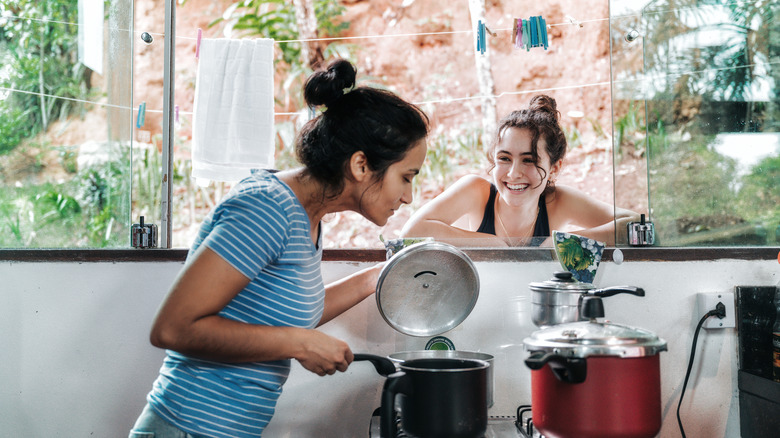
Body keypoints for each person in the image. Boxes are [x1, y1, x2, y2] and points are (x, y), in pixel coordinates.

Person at [129, 59, 429, 438]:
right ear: (360, 165)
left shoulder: (308, 217)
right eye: (406, 177)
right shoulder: (268, 209)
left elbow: (290, 313)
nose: (408, 197)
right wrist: (299, 343)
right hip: (186, 428)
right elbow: (173, 329)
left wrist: (379, 278)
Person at [401, 94, 637, 247]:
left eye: (529, 160)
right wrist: (493, 245)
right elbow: (411, 232)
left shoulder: (558, 201)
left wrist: (562, 243)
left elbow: (637, 224)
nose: (513, 173)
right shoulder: (476, 192)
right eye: (504, 158)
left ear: (555, 168)